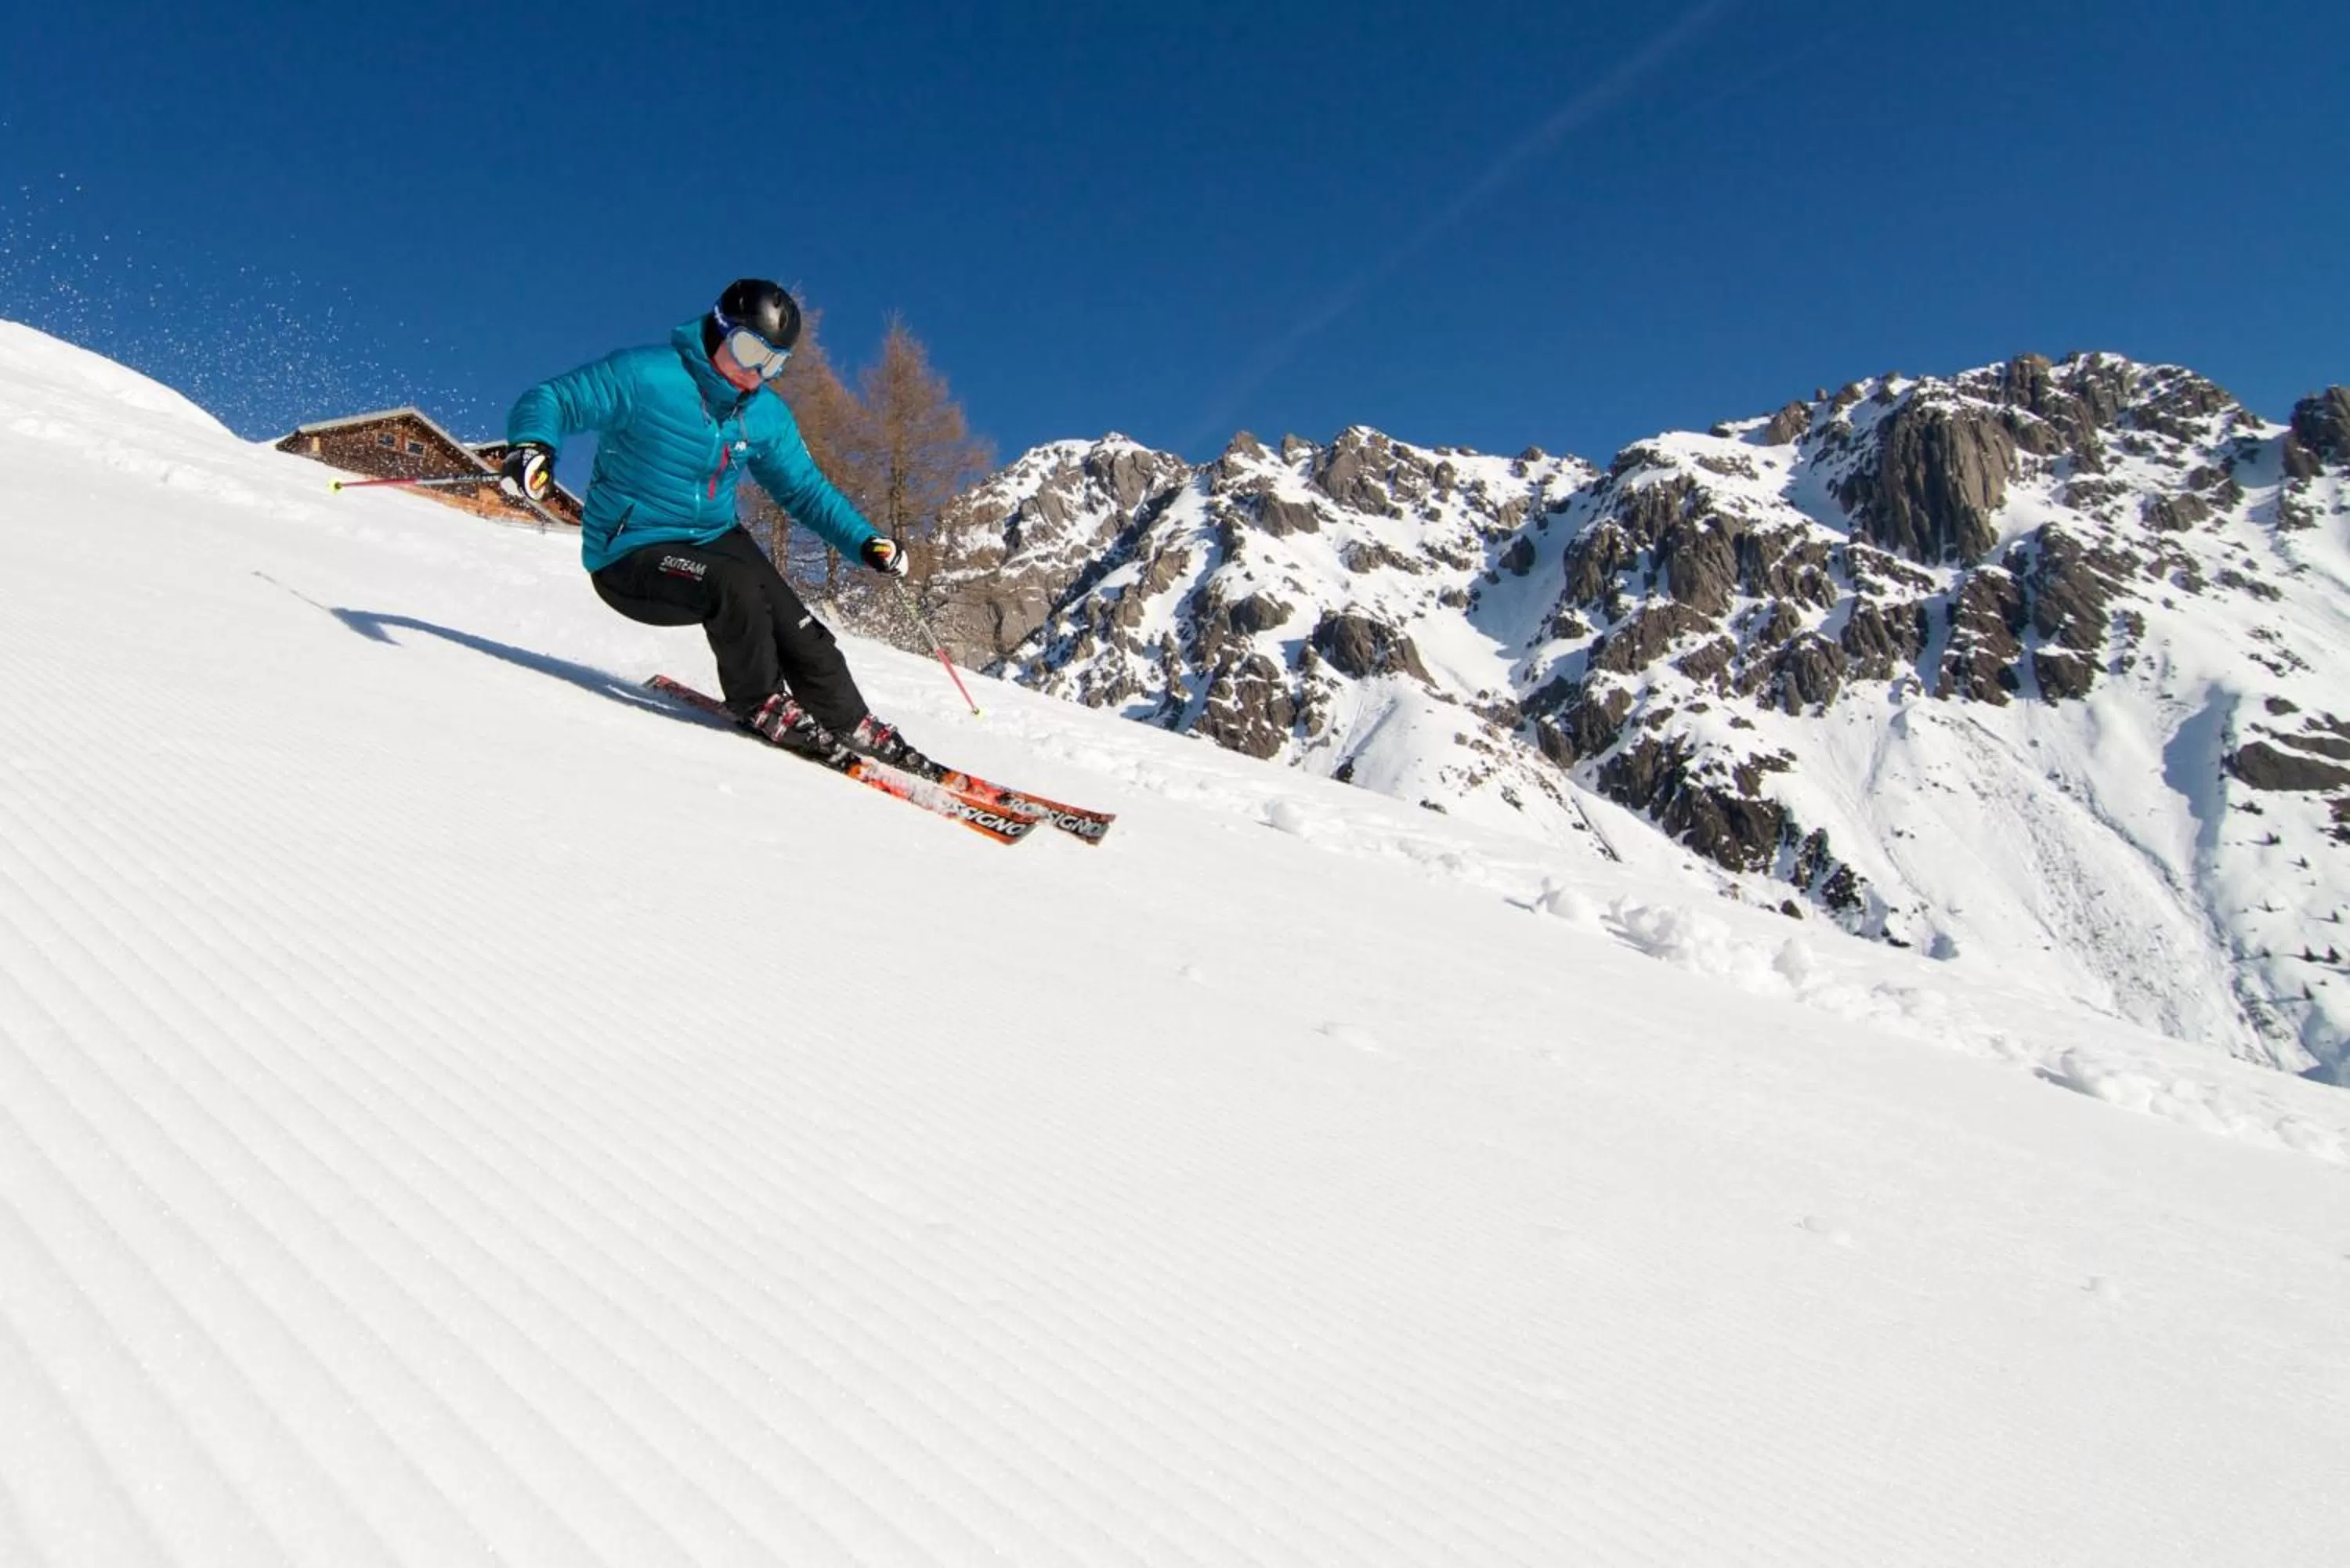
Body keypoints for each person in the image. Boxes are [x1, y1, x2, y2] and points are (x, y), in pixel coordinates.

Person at [500, 277, 936, 776]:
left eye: (773, 364)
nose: (755, 374)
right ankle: (760, 703)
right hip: (629, 552)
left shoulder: (764, 416)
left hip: (712, 535)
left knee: (800, 627)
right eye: (750, 350)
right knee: (735, 588)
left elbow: (804, 490)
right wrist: (533, 445)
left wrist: (865, 542)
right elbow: (554, 398)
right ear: (718, 329)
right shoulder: (645, 376)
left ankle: (849, 720)